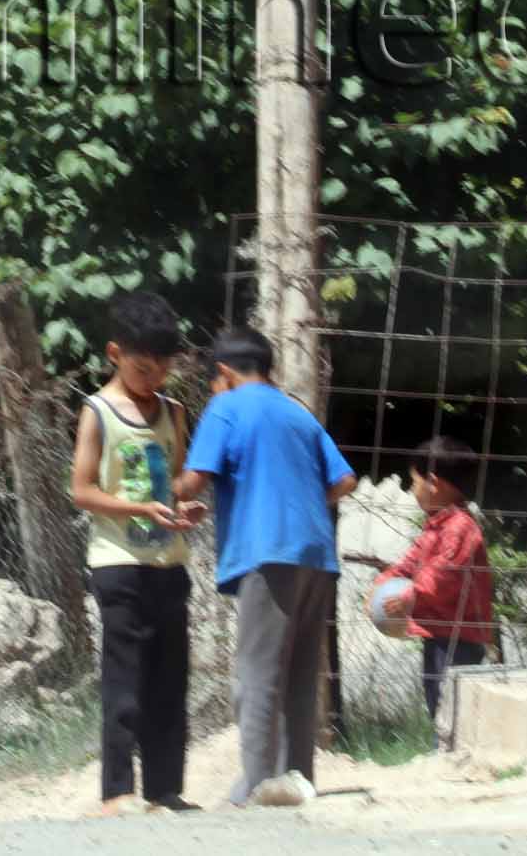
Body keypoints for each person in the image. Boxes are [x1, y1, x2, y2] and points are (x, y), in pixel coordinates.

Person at [173, 327, 356, 809]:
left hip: (267, 551)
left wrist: (157, 490)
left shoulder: (226, 407)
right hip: (316, 554)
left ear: (225, 374)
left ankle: (256, 784)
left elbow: (193, 482)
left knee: (257, 672)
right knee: (299, 671)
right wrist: (301, 499)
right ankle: (299, 778)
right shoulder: (298, 414)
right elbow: (345, 481)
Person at [67, 290, 202, 816]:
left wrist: (185, 508)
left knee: (171, 681)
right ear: (114, 354)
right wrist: (139, 509)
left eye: (164, 368)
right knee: (125, 683)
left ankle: (165, 789)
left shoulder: (174, 411)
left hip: (170, 563)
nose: (154, 378)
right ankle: (117, 792)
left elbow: (178, 482)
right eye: (143, 367)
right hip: (118, 565)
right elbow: (80, 490)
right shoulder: (97, 412)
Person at [373, 434, 496, 731]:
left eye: (414, 482)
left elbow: (444, 573)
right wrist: (383, 582)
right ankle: (443, 752)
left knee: (451, 707)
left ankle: (451, 755)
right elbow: (408, 564)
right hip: (437, 632)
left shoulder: (460, 528)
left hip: (460, 638)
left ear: (433, 482)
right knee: (436, 703)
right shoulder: (435, 528)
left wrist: (410, 595)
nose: (412, 489)